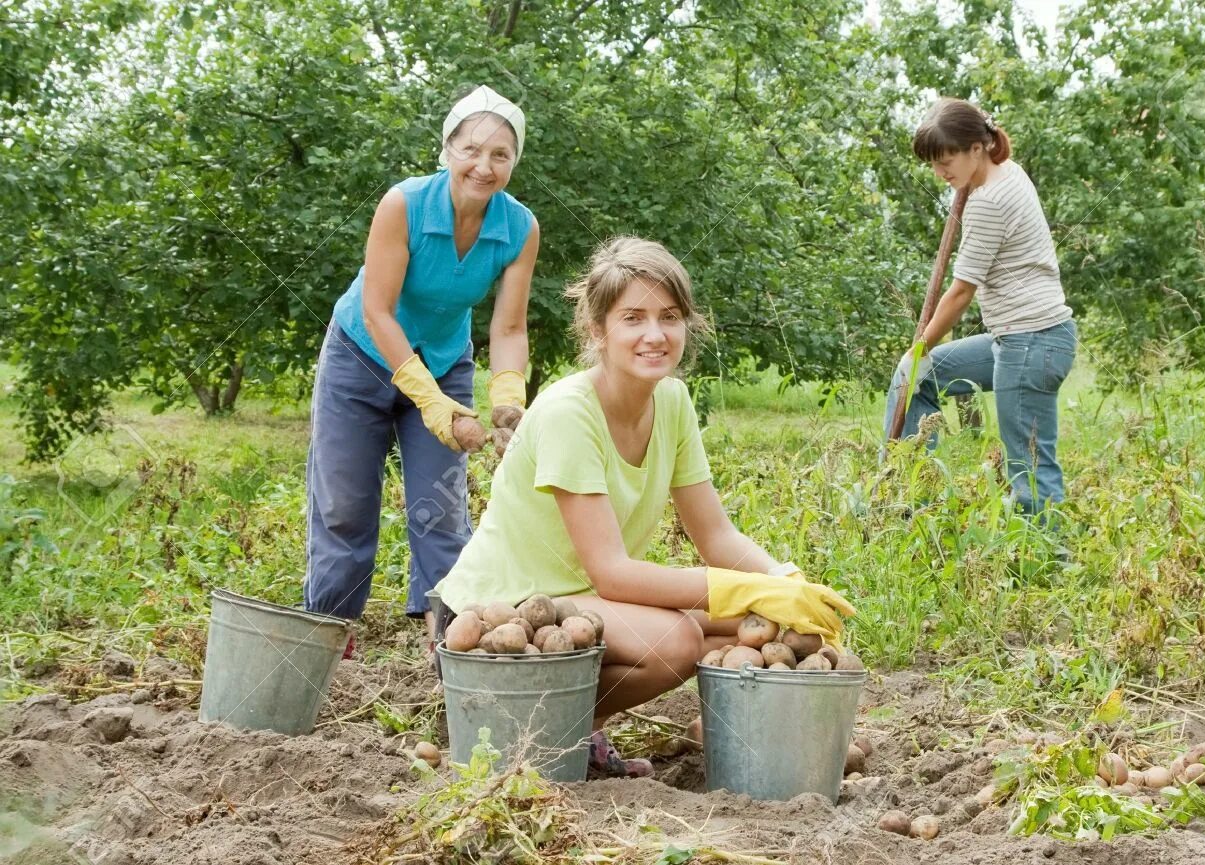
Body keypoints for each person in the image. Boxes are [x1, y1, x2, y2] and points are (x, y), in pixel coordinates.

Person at [433, 237, 856, 777]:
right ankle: (534, 733)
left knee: (758, 624)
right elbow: (611, 573)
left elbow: (716, 536)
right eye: (633, 317)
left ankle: (572, 735)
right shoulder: (568, 411)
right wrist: (742, 588)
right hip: (499, 623)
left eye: (670, 317)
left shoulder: (672, 401)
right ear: (597, 330)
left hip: (578, 603)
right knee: (677, 639)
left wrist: (785, 582)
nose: (655, 335)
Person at [304, 85, 540, 654]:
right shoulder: (404, 204)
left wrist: (509, 399)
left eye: (500, 155)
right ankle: (331, 632)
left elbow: (508, 329)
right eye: (471, 149)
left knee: (440, 508)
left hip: (444, 360)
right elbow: (377, 310)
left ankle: (447, 639)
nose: (484, 166)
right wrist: (428, 401)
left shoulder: (519, 227)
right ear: (447, 150)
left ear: (514, 163)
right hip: (360, 355)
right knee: (344, 504)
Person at [883, 97, 1077, 517]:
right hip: (1026, 340)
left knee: (1029, 467)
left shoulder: (989, 201)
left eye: (947, 159)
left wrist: (919, 347)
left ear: (977, 148)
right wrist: (916, 361)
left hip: (1031, 341)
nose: (940, 172)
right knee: (915, 379)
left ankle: (1048, 563)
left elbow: (960, 293)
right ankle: (910, 499)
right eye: (934, 163)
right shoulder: (1008, 172)